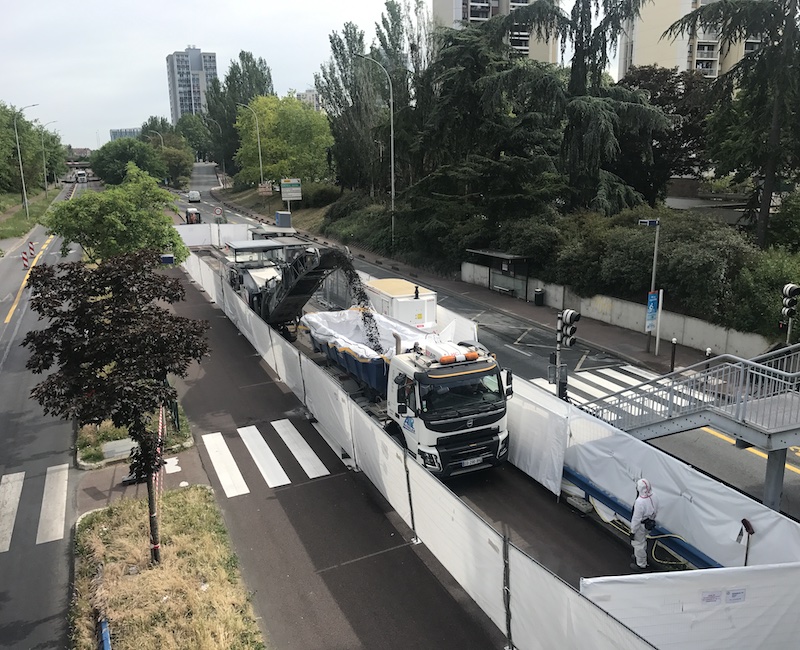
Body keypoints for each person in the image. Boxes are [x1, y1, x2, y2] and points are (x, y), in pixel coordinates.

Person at [630, 478, 658, 571]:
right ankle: (640, 556)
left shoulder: (640, 502)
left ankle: (641, 564)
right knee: (643, 540)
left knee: (638, 544)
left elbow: (636, 519)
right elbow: (656, 510)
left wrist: (632, 531)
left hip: (641, 526)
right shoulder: (654, 496)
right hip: (649, 523)